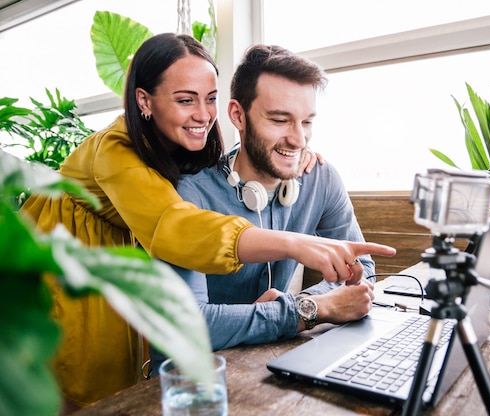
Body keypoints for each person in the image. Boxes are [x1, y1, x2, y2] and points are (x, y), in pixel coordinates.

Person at [19, 33, 396, 410]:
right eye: (185, 99)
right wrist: (294, 247)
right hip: (58, 268)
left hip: (134, 276)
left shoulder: (195, 150)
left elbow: (360, 271)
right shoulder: (117, 152)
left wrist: (300, 303)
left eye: (210, 98)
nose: (202, 113)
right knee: (72, 385)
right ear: (144, 100)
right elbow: (175, 227)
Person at [149, 44, 384, 371]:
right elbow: (188, 329)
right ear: (237, 116)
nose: (299, 140)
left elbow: (361, 271)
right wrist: (309, 308)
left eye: (307, 122)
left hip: (265, 367)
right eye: (279, 120)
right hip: (193, 380)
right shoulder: (190, 196)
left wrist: (298, 306)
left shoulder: (321, 178)